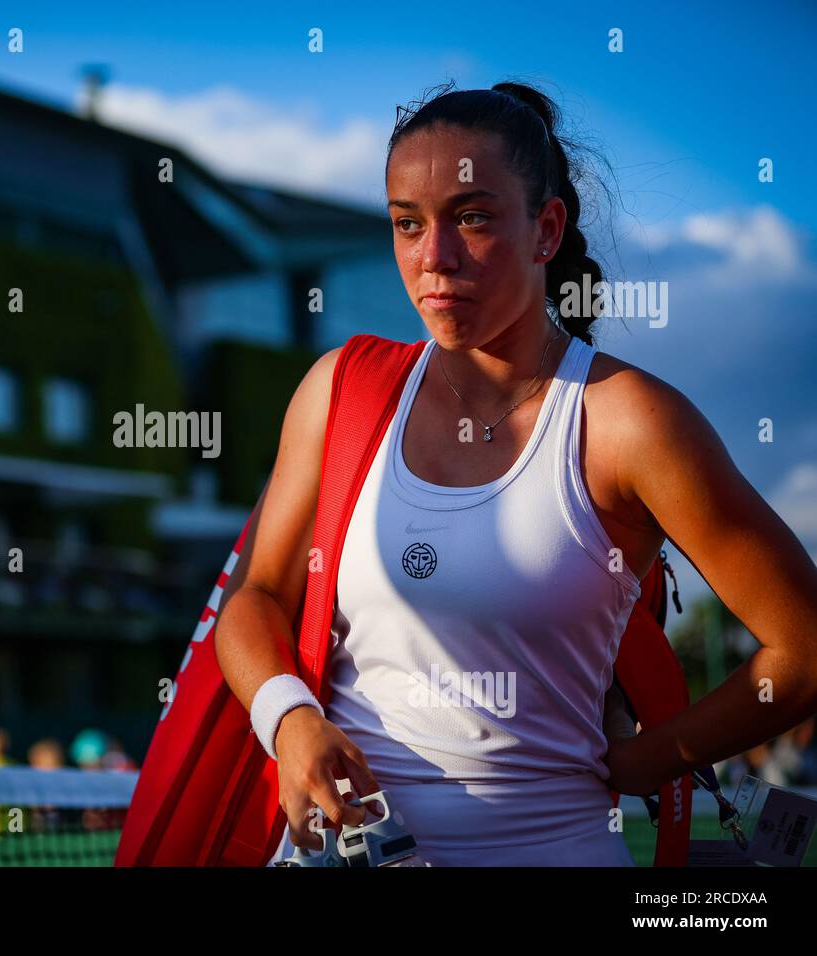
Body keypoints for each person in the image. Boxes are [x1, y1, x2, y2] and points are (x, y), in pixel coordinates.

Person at [214, 81, 817, 867]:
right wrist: (290, 719)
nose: (434, 258)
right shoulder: (342, 391)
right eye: (407, 224)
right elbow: (254, 598)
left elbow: (801, 648)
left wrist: (651, 758)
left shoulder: (628, 422)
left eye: (472, 217)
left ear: (547, 229)